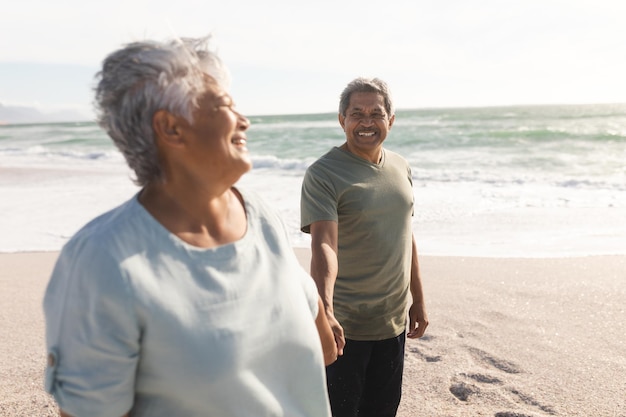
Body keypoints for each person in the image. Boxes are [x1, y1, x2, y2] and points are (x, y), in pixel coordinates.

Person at [43, 36, 337, 417]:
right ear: (170, 128)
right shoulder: (103, 261)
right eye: (225, 106)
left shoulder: (261, 216)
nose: (244, 121)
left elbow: (324, 345)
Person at [300, 77, 429, 417]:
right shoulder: (323, 174)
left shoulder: (401, 166)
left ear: (391, 120)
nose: (367, 122)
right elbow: (324, 244)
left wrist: (419, 299)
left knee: (383, 410)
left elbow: (405, 233)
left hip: (392, 320)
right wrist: (325, 310)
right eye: (357, 113)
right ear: (342, 119)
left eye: (376, 113)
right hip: (346, 325)